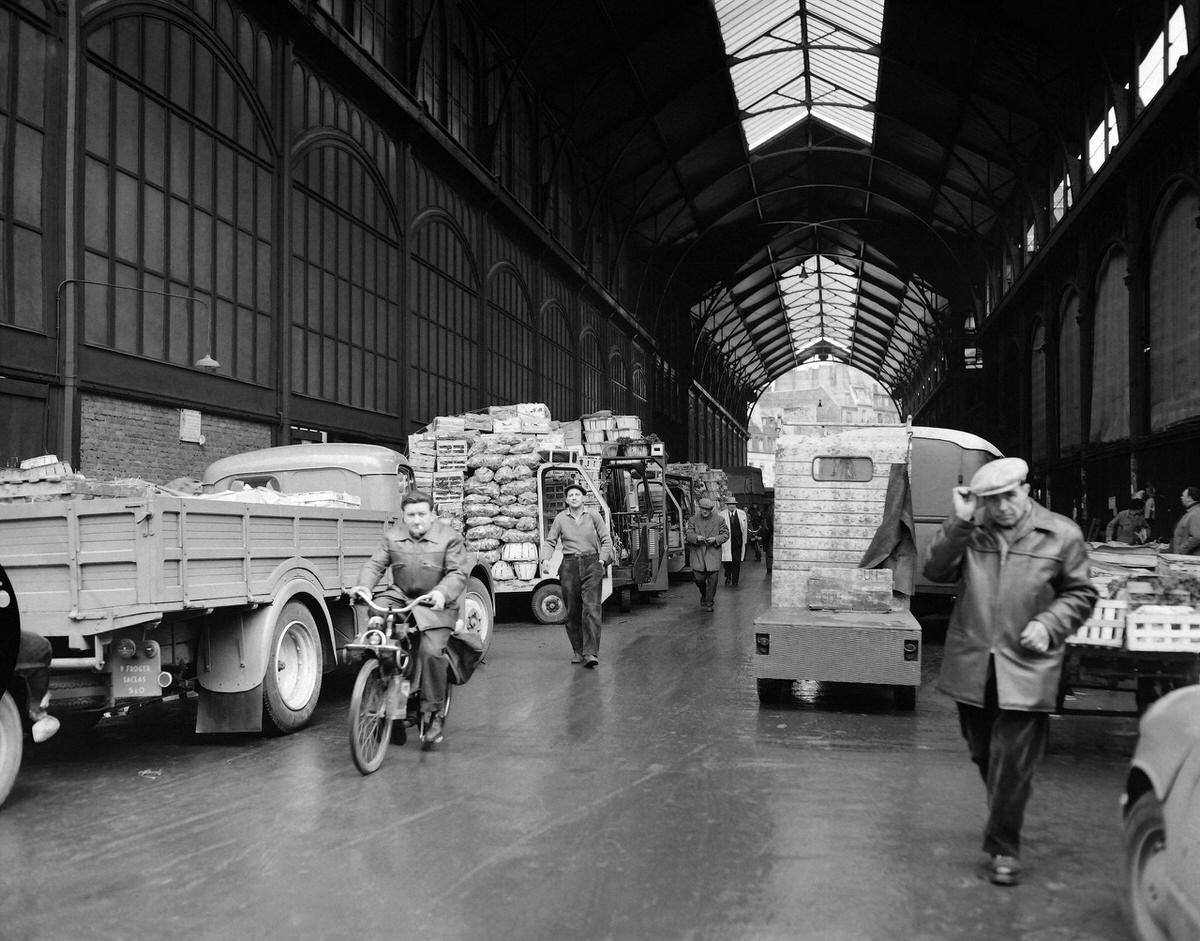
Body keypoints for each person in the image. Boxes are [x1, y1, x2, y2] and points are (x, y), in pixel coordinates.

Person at [923, 457, 1096, 887]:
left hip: (1028, 666)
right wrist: (959, 522)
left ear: (1025, 488)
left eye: (1008, 496)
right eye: (991, 500)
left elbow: (1081, 593)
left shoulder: (1061, 534)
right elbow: (935, 570)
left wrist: (1049, 623)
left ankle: (1004, 847)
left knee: (1013, 763)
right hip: (974, 663)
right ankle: (1005, 812)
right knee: (984, 754)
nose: (1001, 507)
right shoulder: (972, 531)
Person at [350, 490, 470, 748]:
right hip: (402, 596)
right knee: (382, 628)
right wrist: (364, 587)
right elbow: (374, 565)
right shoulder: (393, 536)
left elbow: (458, 573)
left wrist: (441, 592)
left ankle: (433, 713)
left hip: (436, 603)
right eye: (410, 515)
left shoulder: (449, 538)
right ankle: (391, 703)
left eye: (421, 514)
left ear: (432, 515)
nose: (416, 520)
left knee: (430, 652)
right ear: (403, 516)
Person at [540, 482, 614, 668]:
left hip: (592, 563)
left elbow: (606, 540)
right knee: (573, 611)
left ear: (583, 498)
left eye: (577, 494)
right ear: (566, 500)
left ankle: (591, 653)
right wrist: (546, 559)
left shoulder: (594, 516)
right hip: (569, 565)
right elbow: (550, 541)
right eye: (571, 495)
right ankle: (578, 651)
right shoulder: (560, 519)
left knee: (591, 609)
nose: (574, 497)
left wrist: (602, 561)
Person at [685, 497, 728, 611]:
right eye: (703, 509)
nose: (705, 511)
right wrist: (696, 537)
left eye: (707, 509)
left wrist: (715, 539)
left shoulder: (719, 520)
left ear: (711, 510)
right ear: (700, 508)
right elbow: (688, 534)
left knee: (713, 581)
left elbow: (725, 534)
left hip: (712, 553)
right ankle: (704, 594)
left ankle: (709, 602)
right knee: (699, 579)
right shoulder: (693, 520)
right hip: (698, 554)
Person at [720, 497, 748, 586]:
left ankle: (735, 580)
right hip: (726, 542)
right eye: (730, 504)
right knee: (728, 562)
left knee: (737, 561)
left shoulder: (742, 514)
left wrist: (745, 541)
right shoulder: (721, 515)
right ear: (727, 505)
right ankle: (728, 576)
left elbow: (745, 528)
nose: (731, 506)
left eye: (733, 504)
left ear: (735, 505)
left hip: (738, 542)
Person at [1171, 486, 1200, 555]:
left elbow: (1197, 537)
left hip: (1188, 558)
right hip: (1183, 557)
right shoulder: (1192, 512)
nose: (1181, 497)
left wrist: (1181, 550)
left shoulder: (1196, 513)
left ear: (1190, 498)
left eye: (1183, 496)